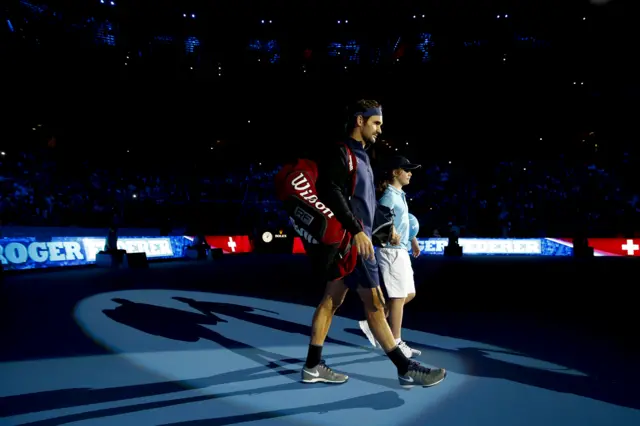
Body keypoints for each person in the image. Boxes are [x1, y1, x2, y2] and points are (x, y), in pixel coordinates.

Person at [301, 99, 446, 388]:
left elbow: (364, 203)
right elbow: (330, 190)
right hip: (355, 244)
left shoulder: (363, 156)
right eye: (376, 122)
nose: (380, 129)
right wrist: (356, 230)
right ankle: (406, 370)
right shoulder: (342, 152)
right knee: (376, 305)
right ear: (359, 120)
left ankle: (312, 366)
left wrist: (379, 228)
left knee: (331, 301)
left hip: (357, 240)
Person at [358, 156, 423, 358]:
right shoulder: (388, 196)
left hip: (401, 250)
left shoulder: (399, 194)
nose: (410, 173)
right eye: (407, 170)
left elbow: (404, 221)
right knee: (398, 297)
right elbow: (378, 220)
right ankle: (395, 341)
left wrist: (412, 239)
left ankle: (373, 324)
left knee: (408, 294)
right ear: (396, 173)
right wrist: (390, 231)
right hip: (390, 252)